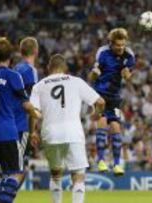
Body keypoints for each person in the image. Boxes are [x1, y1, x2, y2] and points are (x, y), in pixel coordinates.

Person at [30, 54, 105, 203]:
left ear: (48, 68)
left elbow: (33, 111)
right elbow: (101, 102)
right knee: (78, 176)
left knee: (56, 175)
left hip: (50, 133)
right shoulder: (76, 82)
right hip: (73, 132)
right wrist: (96, 115)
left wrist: (32, 131)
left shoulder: (39, 85)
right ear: (65, 68)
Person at [0, 37, 40, 203]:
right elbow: (26, 105)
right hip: (7, 133)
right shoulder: (14, 76)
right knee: (17, 172)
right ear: (10, 57)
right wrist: (38, 114)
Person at [88, 27, 135, 175]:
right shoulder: (102, 53)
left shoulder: (129, 55)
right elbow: (93, 74)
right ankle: (101, 161)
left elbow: (128, 75)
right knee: (102, 121)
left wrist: (127, 74)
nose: (121, 48)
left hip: (115, 96)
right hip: (100, 93)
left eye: (123, 44)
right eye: (118, 45)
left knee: (115, 126)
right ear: (111, 43)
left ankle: (116, 164)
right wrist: (94, 74)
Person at [13, 36, 39, 185]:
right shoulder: (30, 70)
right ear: (36, 51)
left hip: (10, 122)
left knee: (10, 168)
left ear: (21, 51)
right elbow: (30, 103)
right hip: (21, 125)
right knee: (20, 169)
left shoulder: (16, 69)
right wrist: (33, 130)